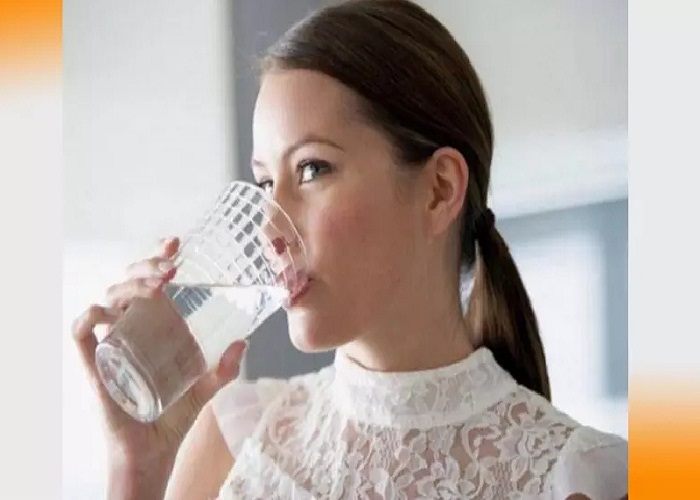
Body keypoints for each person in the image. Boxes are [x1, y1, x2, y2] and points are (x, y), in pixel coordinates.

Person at [72, 0, 628, 498]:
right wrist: (137, 469)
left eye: (312, 169)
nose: (269, 230)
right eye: (265, 183)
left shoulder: (580, 479)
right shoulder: (233, 438)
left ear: (439, 190)